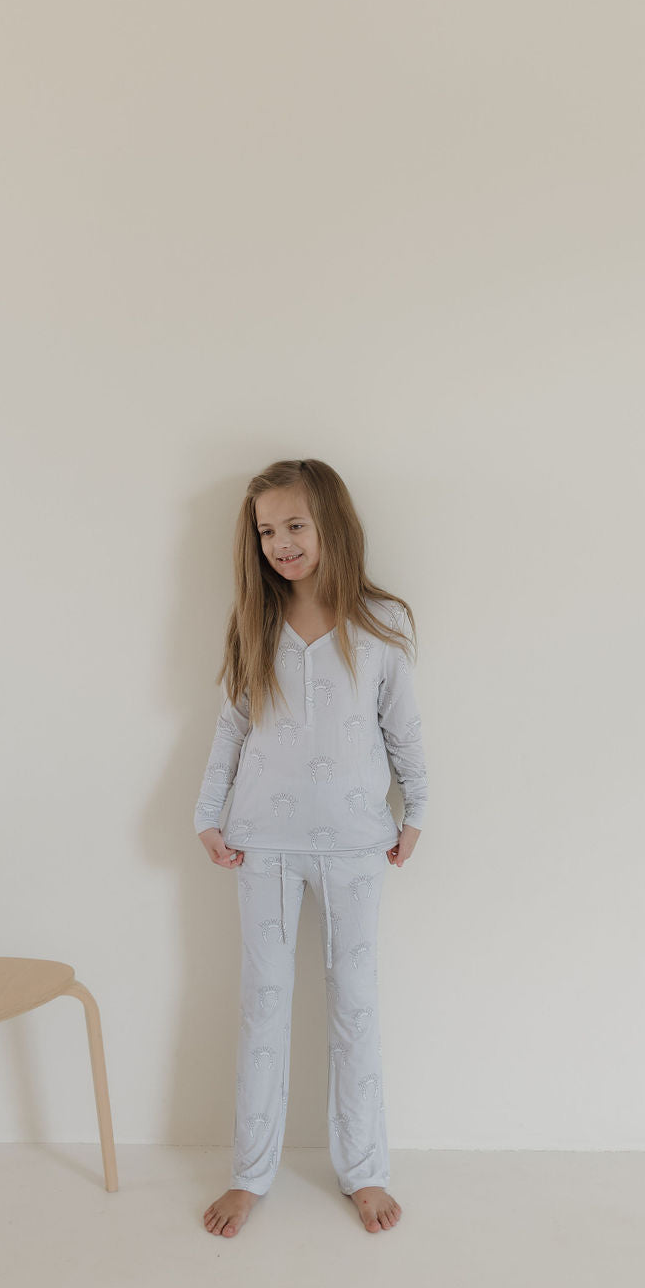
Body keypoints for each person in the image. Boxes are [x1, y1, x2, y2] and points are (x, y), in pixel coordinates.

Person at [194, 458, 429, 1238]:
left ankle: (364, 1171)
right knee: (264, 1013)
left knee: (355, 1010)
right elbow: (231, 728)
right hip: (263, 848)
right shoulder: (252, 626)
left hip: (359, 849)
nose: (282, 543)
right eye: (267, 531)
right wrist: (209, 815)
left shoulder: (379, 631)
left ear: (330, 524)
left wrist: (419, 811)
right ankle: (251, 1173)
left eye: (295, 525)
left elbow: (405, 735)